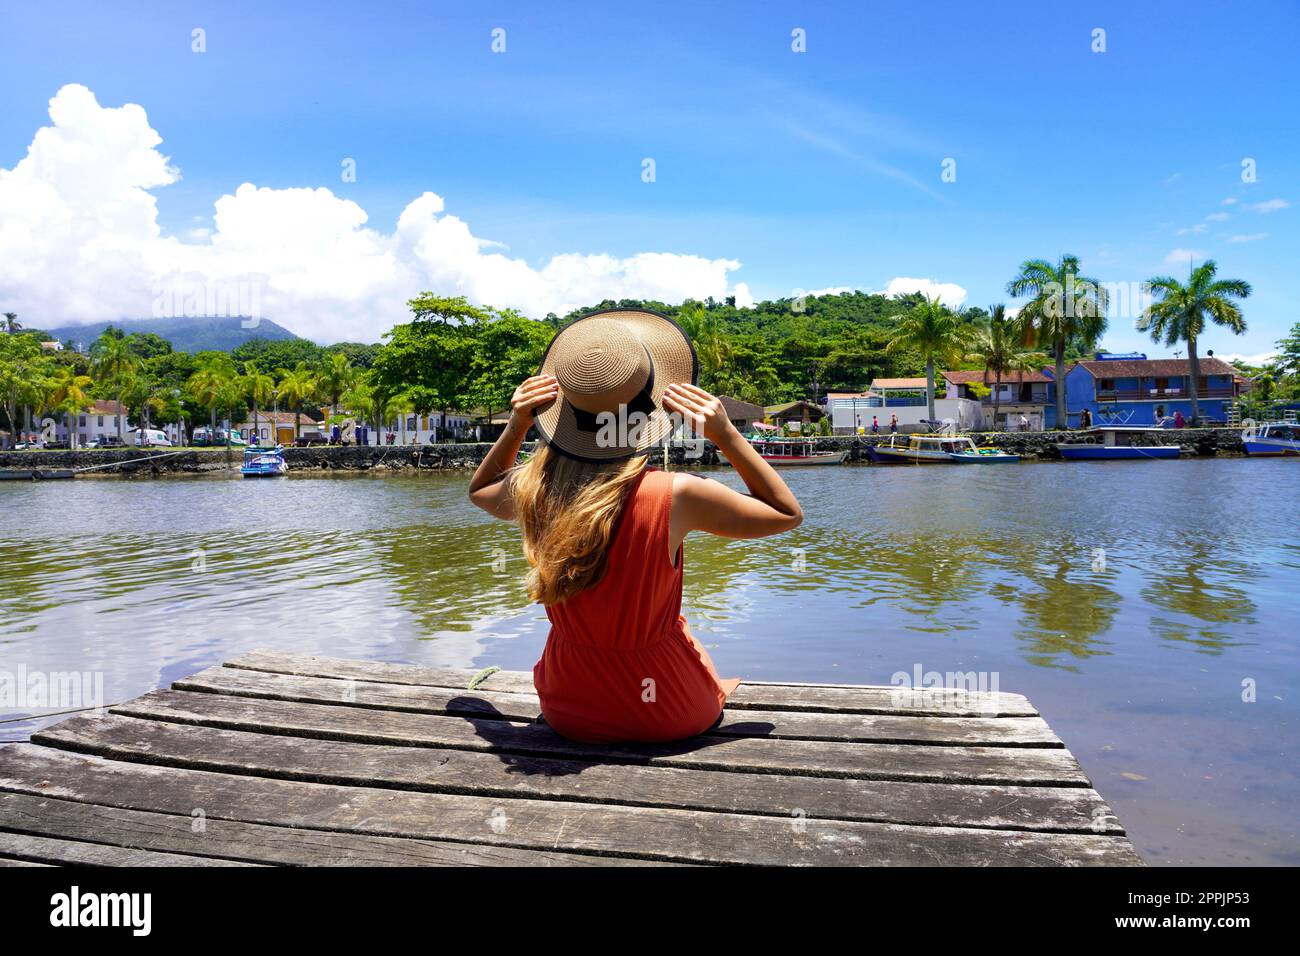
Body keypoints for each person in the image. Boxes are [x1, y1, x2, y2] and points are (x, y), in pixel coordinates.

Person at [468, 309, 803, 745]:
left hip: (569, 709)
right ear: (649, 415)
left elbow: (482, 489)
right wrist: (726, 436)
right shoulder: (678, 494)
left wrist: (517, 424)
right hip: (664, 713)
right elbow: (786, 513)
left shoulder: (537, 488)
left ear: (561, 413)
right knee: (682, 638)